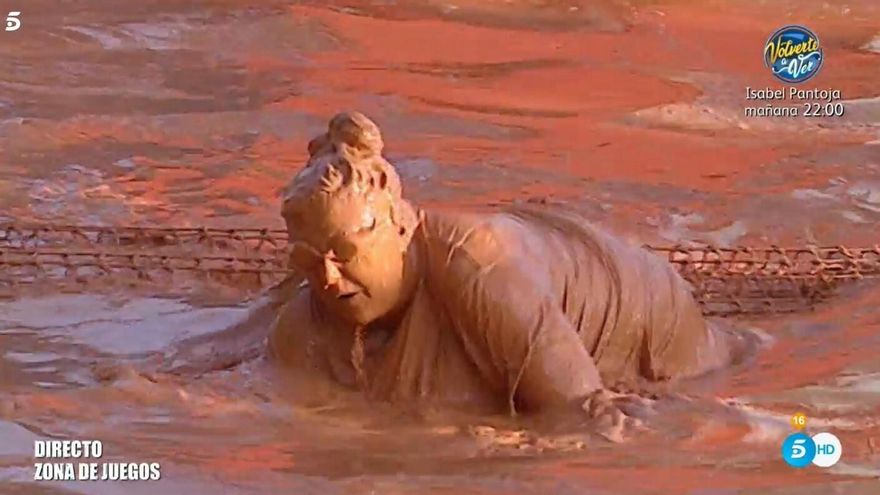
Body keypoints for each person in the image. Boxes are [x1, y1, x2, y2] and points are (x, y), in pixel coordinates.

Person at [267, 111, 746, 430]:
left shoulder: (480, 270)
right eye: (309, 260)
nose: (329, 278)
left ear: (400, 224)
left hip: (651, 320)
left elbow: (590, 419)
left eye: (346, 252)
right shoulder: (312, 304)